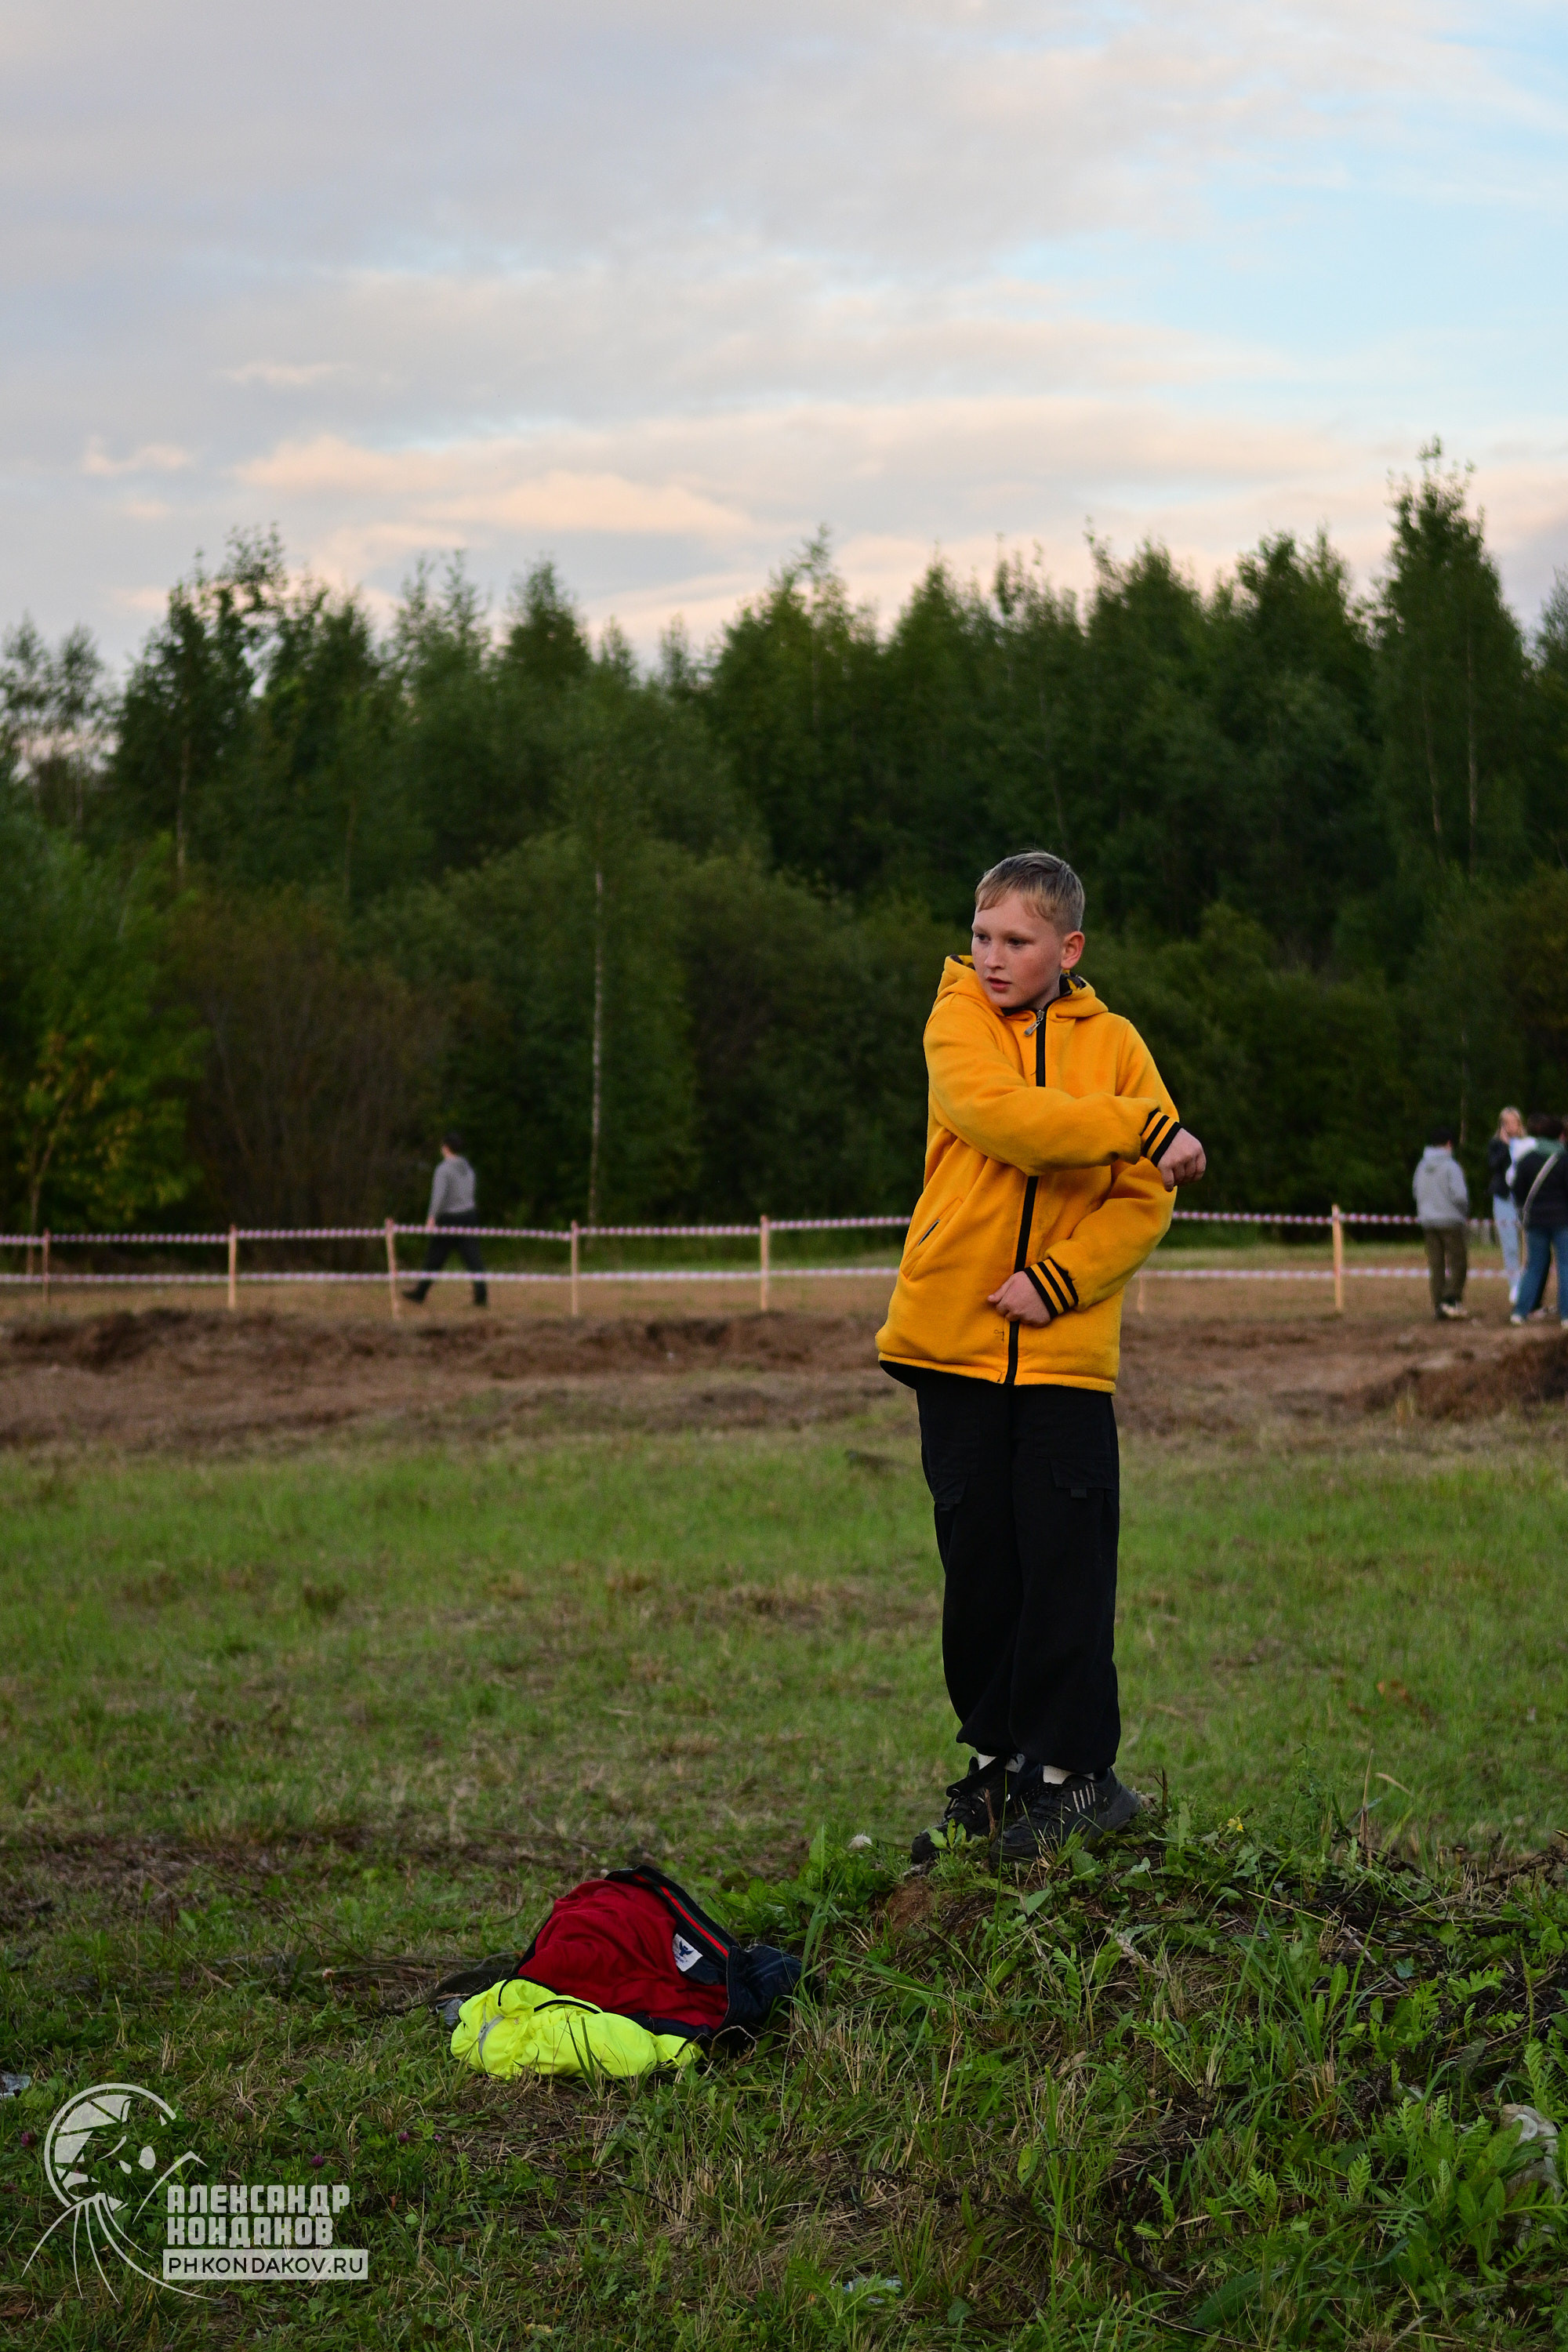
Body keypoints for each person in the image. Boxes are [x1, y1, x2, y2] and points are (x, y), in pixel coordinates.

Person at [877, 849, 1207, 1865]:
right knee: (979, 1565)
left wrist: (1056, 1282)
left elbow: (1146, 1196)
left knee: (1065, 1560)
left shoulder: (1115, 1043)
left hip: (1062, 1355)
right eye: (982, 936)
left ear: (1067, 948)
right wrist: (1142, 1127)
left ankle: (1071, 1780)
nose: (992, 957)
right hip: (953, 1340)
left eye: (1015, 940)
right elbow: (1003, 1122)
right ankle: (993, 1767)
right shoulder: (956, 1020)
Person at [403, 1133, 488, 1307]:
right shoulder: (467, 1167)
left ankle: (420, 1293)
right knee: (473, 1257)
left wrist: (432, 1216)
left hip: (449, 1218)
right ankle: (482, 1295)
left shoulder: (443, 1169)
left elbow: (438, 1196)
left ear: (446, 1147)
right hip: (469, 1215)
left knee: (435, 1256)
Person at [1508, 1115, 1568, 1327]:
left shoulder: (1527, 1159)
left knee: (1533, 1267)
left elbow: (1517, 1191)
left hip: (1535, 1221)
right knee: (1566, 1266)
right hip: (1562, 1220)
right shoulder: (1564, 1159)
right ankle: (1566, 1316)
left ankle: (1520, 1312)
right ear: (1560, 1135)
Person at [1413, 1126, 1469, 1321]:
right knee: (1458, 1263)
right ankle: (1450, 1299)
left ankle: (1438, 1305)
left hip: (1428, 1221)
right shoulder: (1451, 1166)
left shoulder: (1421, 1166)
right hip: (1450, 1220)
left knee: (1436, 1265)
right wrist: (1464, 1212)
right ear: (1449, 1144)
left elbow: (1415, 1191)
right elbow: (1460, 1196)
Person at [1487, 1107, 1526, 1305]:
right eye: (1507, 1123)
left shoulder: (1528, 1145)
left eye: (1515, 1122)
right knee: (1510, 1244)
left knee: (1529, 1244)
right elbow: (1493, 1166)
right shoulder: (1495, 1145)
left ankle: (1529, 1285)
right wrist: (1504, 1146)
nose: (1511, 1126)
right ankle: (1515, 1286)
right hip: (1504, 1199)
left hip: (1525, 1199)